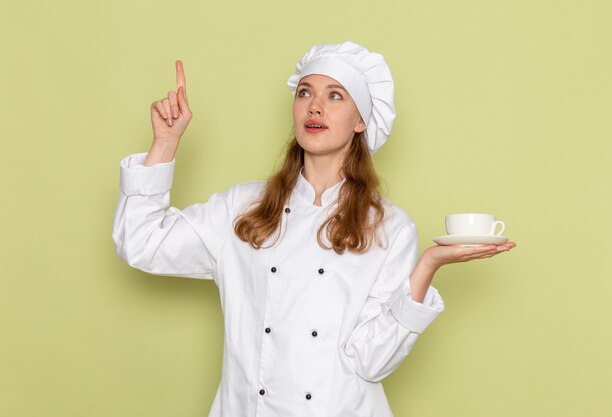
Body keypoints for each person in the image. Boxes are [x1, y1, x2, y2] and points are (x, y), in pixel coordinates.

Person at [112, 41, 516, 417]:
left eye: (334, 95)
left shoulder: (389, 226)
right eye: (305, 92)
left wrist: (428, 265)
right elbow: (142, 243)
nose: (314, 107)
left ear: (361, 120)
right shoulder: (243, 207)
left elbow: (372, 361)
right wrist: (164, 144)